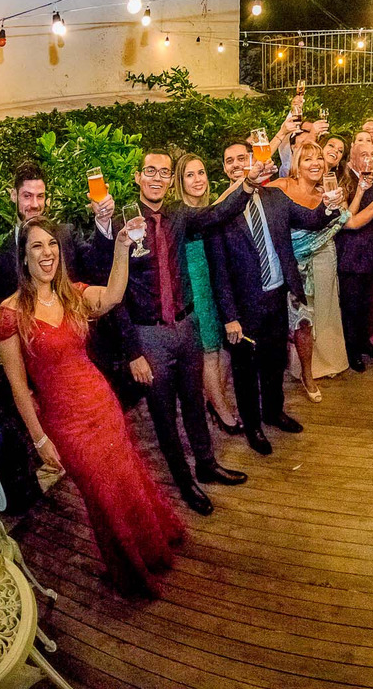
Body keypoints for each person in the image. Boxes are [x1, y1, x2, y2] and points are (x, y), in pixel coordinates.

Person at [0, 215, 185, 596]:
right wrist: (39, 439)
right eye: (37, 246)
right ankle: (130, 571)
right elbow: (18, 387)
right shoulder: (10, 314)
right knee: (103, 496)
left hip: (101, 404)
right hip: (66, 424)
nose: (47, 253)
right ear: (24, 258)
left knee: (129, 478)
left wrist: (121, 246)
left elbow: (113, 296)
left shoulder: (72, 294)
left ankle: (154, 547)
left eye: (52, 244)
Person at [112, 150, 255, 517]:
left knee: (193, 402)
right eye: (150, 171)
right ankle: (184, 481)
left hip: (187, 325)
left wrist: (248, 184)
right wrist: (133, 352)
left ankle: (206, 464)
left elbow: (217, 213)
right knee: (163, 415)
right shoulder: (123, 224)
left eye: (164, 172)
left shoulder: (179, 214)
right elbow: (115, 297)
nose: (157, 178)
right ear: (137, 176)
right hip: (149, 336)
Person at [206, 141, 340, 458]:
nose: (236, 164)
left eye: (242, 158)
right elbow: (219, 271)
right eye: (229, 160)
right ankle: (253, 427)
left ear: (253, 161)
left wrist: (330, 206)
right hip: (243, 307)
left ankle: (273, 412)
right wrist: (230, 317)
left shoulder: (275, 197)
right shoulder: (219, 212)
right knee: (245, 372)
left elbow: (311, 219)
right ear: (224, 168)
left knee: (274, 361)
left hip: (279, 295)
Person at [270, 142, 373, 392]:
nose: (315, 163)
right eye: (307, 159)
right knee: (301, 320)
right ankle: (304, 371)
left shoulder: (328, 192)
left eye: (318, 159)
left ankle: (325, 363)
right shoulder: (283, 186)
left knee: (325, 311)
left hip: (324, 257)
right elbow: (253, 193)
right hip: (292, 264)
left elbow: (350, 222)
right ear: (297, 164)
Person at [172, 154, 241, 435]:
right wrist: (245, 181)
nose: (198, 179)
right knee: (209, 352)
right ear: (180, 181)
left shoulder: (209, 207)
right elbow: (223, 205)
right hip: (196, 287)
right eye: (190, 175)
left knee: (225, 347)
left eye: (201, 172)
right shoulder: (179, 213)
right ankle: (223, 411)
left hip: (219, 284)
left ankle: (215, 400)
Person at [0, 161, 113, 308]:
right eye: (27, 196)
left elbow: (100, 270)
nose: (35, 204)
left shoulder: (67, 236)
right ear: (14, 195)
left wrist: (103, 220)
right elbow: (4, 316)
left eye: (40, 196)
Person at [337, 141, 373, 372]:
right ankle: (352, 351)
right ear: (352, 159)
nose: (369, 160)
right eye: (364, 155)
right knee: (351, 306)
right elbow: (347, 222)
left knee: (368, 302)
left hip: (372, 252)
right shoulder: (344, 181)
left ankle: (365, 342)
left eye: (372, 155)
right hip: (351, 254)